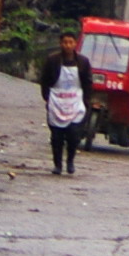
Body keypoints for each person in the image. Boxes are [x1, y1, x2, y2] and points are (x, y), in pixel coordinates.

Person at [40, 29, 93, 176]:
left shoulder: (83, 62)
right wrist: (47, 98)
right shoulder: (52, 60)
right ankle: (57, 164)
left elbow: (88, 83)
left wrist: (86, 100)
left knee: (73, 135)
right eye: (65, 42)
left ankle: (70, 161)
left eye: (70, 42)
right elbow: (44, 80)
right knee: (56, 137)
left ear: (75, 44)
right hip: (56, 101)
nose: (67, 45)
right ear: (60, 43)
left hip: (75, 102)